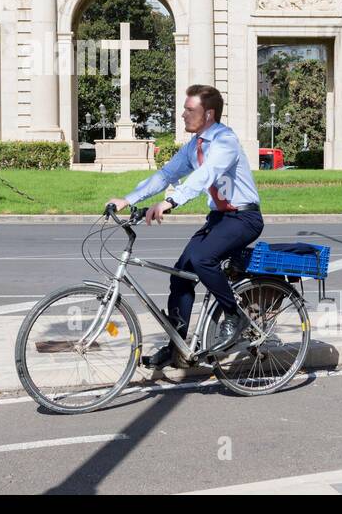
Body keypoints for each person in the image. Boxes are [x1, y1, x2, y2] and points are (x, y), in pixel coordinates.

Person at [106, 84, 263, 369]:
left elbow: (206, 175)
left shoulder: (225, 141)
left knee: (204, 259)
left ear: (209, 114)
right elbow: (165, 174)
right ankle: (177, 348)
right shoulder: (194, 146)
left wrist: (170, 202)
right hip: (219, 219)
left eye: (190, 110)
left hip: (244, 218)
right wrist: (127, 200)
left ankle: (234, 316)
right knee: (181, 277)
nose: (182, 115)